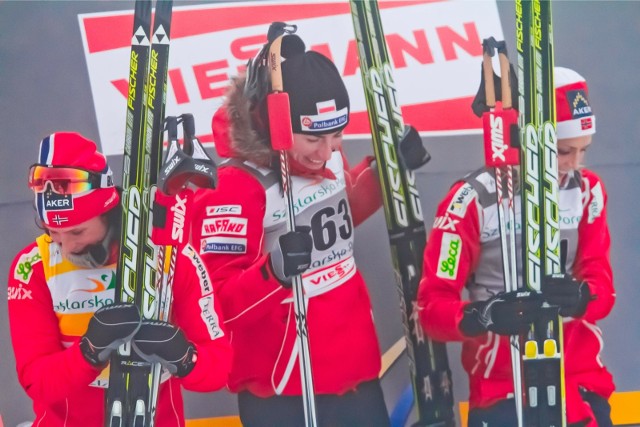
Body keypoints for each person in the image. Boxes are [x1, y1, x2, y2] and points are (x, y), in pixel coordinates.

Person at [194, 28, 388, 426]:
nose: (327, 150)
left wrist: (386, 176)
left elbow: (337, 217)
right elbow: (218, 308)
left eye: (337, 135)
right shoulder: (237, 186)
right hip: (287, 391)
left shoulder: (327, 158)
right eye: (314, 137)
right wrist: (274, 271)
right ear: (276, 124)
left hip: (357, 373)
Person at [417, 67, 615, 427]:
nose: (574, 165)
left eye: (583, 151)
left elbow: (602, 282)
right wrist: (482, 315)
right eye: (563, 151)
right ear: (527, 139)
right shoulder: (470, 202)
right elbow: (432, 308)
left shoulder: (587, 192)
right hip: (502, 382)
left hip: (578, 373)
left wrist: (584, 296)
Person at [7, 132, 232, 427]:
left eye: (77, 232)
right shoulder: (32, 267)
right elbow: (36, 381)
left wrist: (184, 358)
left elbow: (218, 367)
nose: (65, 246)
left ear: (106, 213)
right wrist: (89, 351)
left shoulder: (169, 254)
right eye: (51, 231)